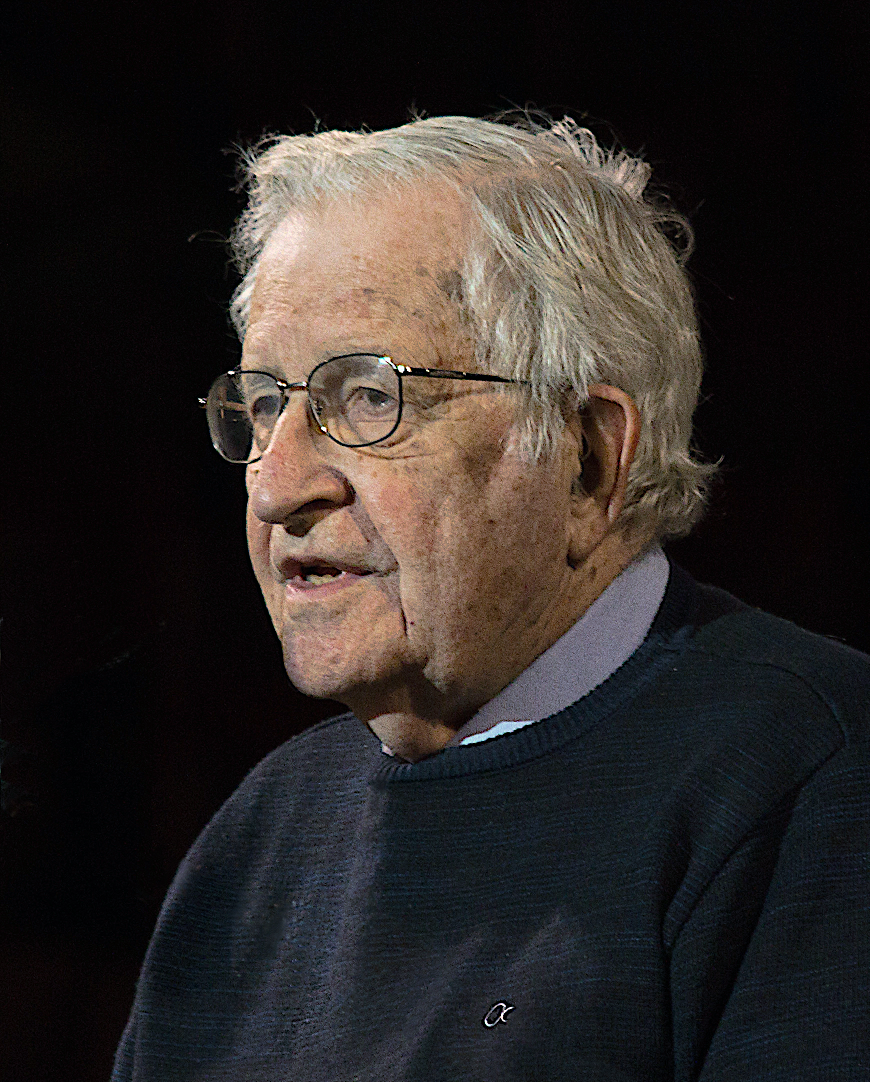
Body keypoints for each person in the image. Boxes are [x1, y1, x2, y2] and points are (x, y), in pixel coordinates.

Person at [112, 115, 870, 1081]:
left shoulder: (815, 783)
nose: (275, 484)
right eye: (265, 405)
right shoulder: (264, 839)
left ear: (590, 457)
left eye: (365, 398)